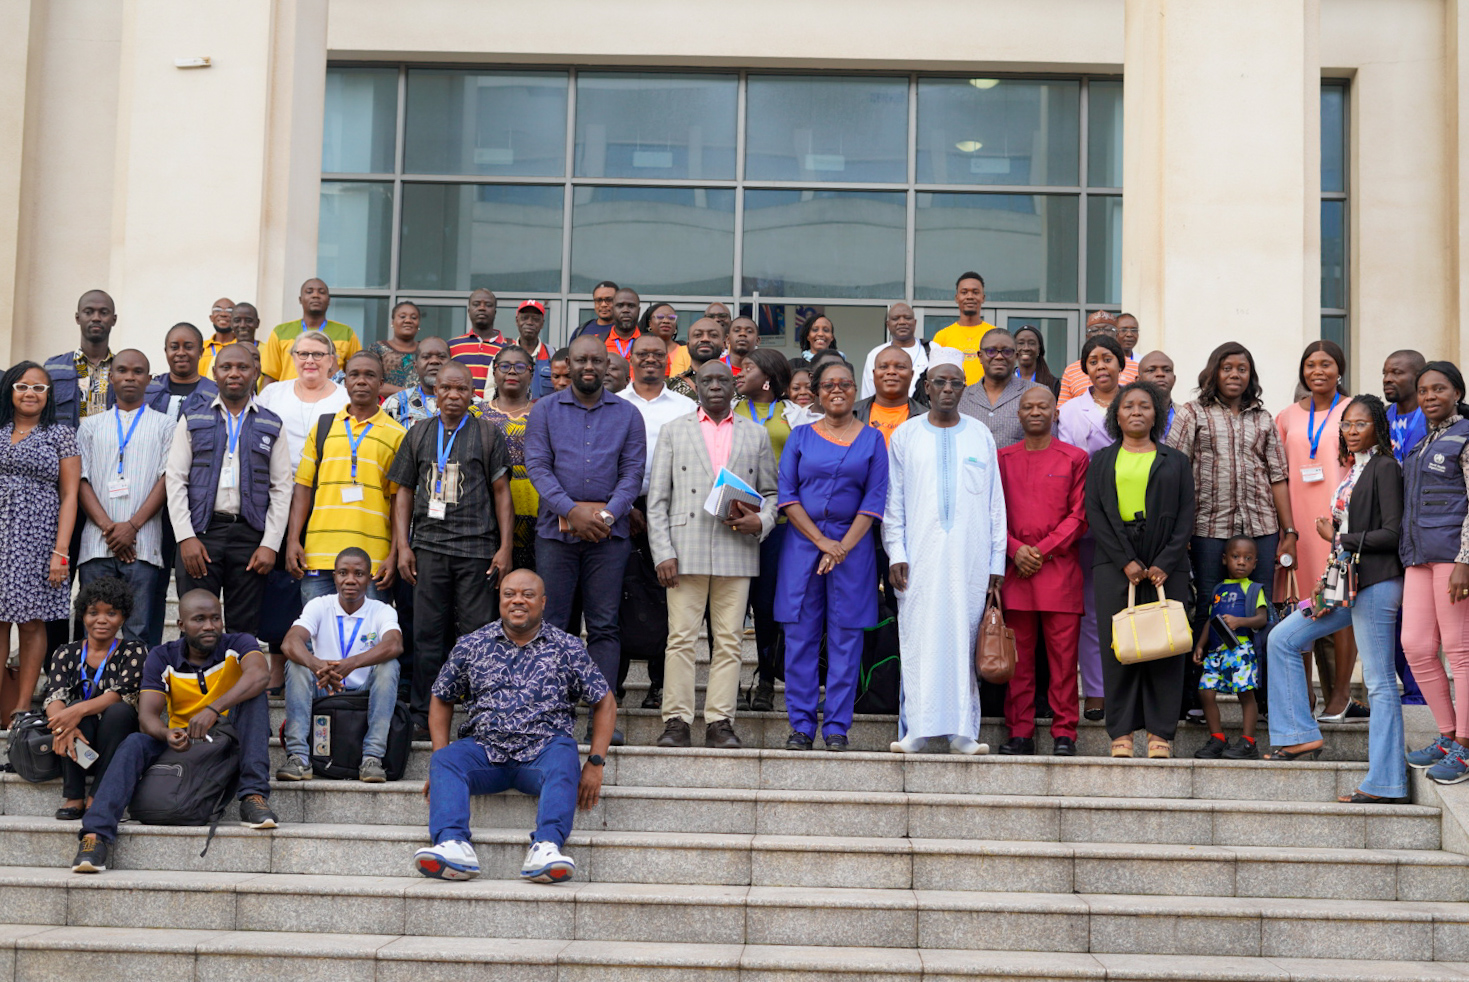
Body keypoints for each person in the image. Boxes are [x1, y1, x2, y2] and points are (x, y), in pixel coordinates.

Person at [414, 570, 616, 883]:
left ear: (543, 602)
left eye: (527, 594)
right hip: (484, 752)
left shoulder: (568, 648)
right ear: (500, 600)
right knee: (445, 759)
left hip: (542, 754)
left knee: (565, 753)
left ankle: (546, 847)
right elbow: (441, 698)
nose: (517, 600)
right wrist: (439, 760)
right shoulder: (472, 645)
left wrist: (596, 762)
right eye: (509, 594)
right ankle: (454, 846)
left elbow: (604, 702)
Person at [70, 590, 278, 873]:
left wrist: (213, 709)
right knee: (135, 741)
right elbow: (147, 716)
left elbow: (260, 674)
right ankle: (95, 836)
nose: (209, 626)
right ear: (181, 625)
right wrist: (167, 734)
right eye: (199, 619)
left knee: (255, 694)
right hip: (183, 740)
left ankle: (253, 795)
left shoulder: (239, 643)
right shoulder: (162, 656)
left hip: (229, 737)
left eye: (216, 618)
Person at [1265, 396, 1407, 805]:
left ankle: (1385, 782)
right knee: (1284, 638)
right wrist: (1326, 581)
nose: (1351, 430)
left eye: (1361, 423)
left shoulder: (1384, 468)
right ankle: (1298, 736)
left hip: (1376, 584)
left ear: (1377, 427)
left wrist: (1338, 538)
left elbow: (1392, 535)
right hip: (1343, 583)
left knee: (1379, 682)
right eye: (1346, 424)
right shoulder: (1352, 470)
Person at [1167, 342, 1298, 722]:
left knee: (1262, 611)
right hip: (1209, 528)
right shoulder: (1193, 414)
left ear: (1250, 376)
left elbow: (1278, 477)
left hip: (1260, 527)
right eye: (1227, 368)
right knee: (1209, 606)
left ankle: (1261, 697)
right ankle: (1198, 694)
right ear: (1214, 372)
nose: (1235, 375)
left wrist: (1288, 530)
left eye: (1242, 369)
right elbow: (1174, 467)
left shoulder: (1263, 418)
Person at [648, 361, 777, 749]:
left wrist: (764, 521)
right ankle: (676, 721)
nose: (715, 386)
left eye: (723, 379)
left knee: (730, 640)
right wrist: (661, 553)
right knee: (681, 639)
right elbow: (657, 501)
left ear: (734, 386)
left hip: (736, 547)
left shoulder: (755, 434)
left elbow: (771, 494)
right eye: (707, 380)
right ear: (696, 386)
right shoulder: (674, 431)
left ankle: (720, 721)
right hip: (684, 550)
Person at [525, 336, 645, 730]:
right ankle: (554, 715)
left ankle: (602, 719)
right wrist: (572, 512)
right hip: (555, 535)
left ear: (609, 364)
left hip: (610, 539)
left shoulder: (628, 414)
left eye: (597, 359)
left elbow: (632, 474)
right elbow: (538, 467)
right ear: (568, 364)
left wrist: (606, 517)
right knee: (554, 624)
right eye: (581, 360)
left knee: (605, 626)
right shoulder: (544, 411)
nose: (589, 366)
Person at [885, 356, 1002, 755]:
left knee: (965, 640)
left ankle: (963, 733)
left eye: (956, 383)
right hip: (919, 556)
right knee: (918, 638)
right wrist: (896, 551)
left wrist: (996, 562)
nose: (948, 389)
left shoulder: (981, 435)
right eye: (941, 382)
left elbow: (994, 503)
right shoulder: (906, 435)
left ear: (965, 389)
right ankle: (915, 729)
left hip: (970, 557)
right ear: (928, 388)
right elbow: (894, 502)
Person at [389, 360, 513, 734]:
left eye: (461, 389)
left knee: (478, 633)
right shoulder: (418, 433)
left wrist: (505, 547)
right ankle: (424, 713)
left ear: (473, 393)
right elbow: (403, 492)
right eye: (446, 389)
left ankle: (480, 713)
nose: (453, 396)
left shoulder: (488, 434)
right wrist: (403, 546)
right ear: (435, 391)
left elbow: (502, 494)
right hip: (428, 547)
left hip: (477, 550)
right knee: (427, 632)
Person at [776, 359, 888, 751]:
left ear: (855, 391)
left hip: (853, 550)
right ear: (817, 392)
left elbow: (875, 502)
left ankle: (837, 726)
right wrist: (823, 543)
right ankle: (801, 726)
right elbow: (787, 495)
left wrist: (841, 547)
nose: (836, 390)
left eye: (844, 383)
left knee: (846, 639)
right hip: (803, 546)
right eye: (828, 385)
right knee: (801, 638)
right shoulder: (800, 436)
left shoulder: (873, 439)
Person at [1085, 380, 1195, 759]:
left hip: (1167, 561)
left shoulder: (1176, 461)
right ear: (1116, 415)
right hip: (1116, 560)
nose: (1136, 411)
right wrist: (1125, 561)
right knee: (1121, 648)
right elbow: (1095, 513)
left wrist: (1164, 561)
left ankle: (1160, 734)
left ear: (1157, 415)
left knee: (1165, 647)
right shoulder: (1101, 460)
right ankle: (1122, 733)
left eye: (1144, 406)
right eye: (1128, 405)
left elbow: (1186, 516)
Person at [164, 344, 293, 637]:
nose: (234, 373)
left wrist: (270, 544)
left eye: (243, 367)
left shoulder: (271, 423)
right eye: (226, 367)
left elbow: (282, 488)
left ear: (255, 373)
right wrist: (185, 537)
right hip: (201, 536)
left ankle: (239, 683)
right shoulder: (193, 419)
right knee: (196, 624)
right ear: (214, 373)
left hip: (250, 539)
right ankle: (195, 683)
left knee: (243, 629)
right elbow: (175, 480)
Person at [997, 385, 1087, 756]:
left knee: (1064, 662)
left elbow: (1080, 516)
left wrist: (1042, 550)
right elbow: (990, 514)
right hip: (1015, 573)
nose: (1035, 412)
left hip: (1060, 573)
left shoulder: (1076, 458)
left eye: (1043, 406)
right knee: (1018, 662)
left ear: (1056, 413)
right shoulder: (1001, 458)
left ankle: (1064, 732)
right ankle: (1020, 732)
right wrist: (1016, 550)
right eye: (1028, 407)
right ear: (1018, 415)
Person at [1277, 340, 1358, 720]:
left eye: (1326, 364)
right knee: (1301, 607)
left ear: (1339, 369)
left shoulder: (1353, 410)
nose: (1318, 371)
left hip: (1340, 523)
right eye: (1310, 365)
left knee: (1340, 604)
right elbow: (1277, 474)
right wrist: (1285, 528)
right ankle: (1302, 695)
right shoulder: (1287, 416)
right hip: (1297, 527)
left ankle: (1340, 695)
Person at [276, 546, 404, 783]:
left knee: (390, 666)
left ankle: (372, 758)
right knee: (296, 665)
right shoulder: (319, 605)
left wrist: (351, 664)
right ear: (334, 576)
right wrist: (316, 665)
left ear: (369, 577)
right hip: (323, 685)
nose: (350, 580)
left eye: (359, 573)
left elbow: (394, 644)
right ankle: (299, 758)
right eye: (343, 573)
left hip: (364, 690)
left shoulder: (381, 610)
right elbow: (290, 642)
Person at [286, 351, 406, 603]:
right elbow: (303, 487)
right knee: (315, 636)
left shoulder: (397, 435)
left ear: (381, 382)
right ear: (345, 381)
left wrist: (393, 553)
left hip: (373, 559)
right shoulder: (324, 426)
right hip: (318, 553)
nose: (361, 381)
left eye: (369, 375)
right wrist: (293, 539)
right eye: (354, 374)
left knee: (369, 637)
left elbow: (399, 501)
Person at [0, 363, 81, 724]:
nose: (30, 393)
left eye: (39, 387)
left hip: (38, 539)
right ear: (10, 391)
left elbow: (69, 495)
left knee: (33, 623)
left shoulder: (60, 435)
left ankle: (21, 707)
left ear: (49, 395)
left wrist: (61, 551)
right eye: (22, 386)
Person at [615, 335, 693, 709]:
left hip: (671, 509)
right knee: (617, 594)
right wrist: (624, 505)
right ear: (632, 358)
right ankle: (612, 683)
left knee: (666, 594)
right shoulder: (614, 403)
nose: (650, 360)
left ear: (668, 360)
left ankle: (660, 685)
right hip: (619, 508)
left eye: (657, 355)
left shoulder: (684, 405)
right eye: (643, 354)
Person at [75, 350, 174, 643]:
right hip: (96, 545)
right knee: (93, 628)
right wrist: (111, 528)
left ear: (149, 379)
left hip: (143, 546)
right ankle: (92, 688)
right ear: (111, 377)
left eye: (138, 371)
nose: (130, 376)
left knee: (137, 630)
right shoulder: (90, 425)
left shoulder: (166, 425)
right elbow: (81, 481)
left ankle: (131, 689)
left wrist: (131, 527)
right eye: (122, 370)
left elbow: (167, 479)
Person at [1401, 363, 1469, 780]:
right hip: (1418, 557)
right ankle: (1447, 733)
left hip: (1452, 557)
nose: (1429, 396)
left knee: (1460, 652)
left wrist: (1465, 559)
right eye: (1423, 390)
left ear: (1457, 393)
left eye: (1439, 389)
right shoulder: (1424, 441)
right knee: (1416, 646)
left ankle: (1465, 745)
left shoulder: (1465, 437)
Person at [1057, 334, 1129, 720]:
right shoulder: (1070, 411)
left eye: (1108, 359)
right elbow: (1070, 467)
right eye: (1093, 361)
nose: (1101, 366)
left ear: (1121, 364)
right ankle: (1097, 691)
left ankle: (1129, 687)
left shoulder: (1138, 403)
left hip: (1135, 520)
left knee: (1132, 605)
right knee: (1091, 609)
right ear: (1084, 369)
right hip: (1089, 521)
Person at [734, 350, 806, 711]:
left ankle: (765, 681)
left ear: (768, 376)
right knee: (730, 607)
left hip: (778, 525)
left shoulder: (793, 414)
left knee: (766, 606)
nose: (739, 372)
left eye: (748, 368)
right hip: (732, 522)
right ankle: (728, 681)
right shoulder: (730, 409)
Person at [42, 576, 145, 819]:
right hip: (74, 739)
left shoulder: (134, 651)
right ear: (83, 615)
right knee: (71, 712)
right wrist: (63, 725)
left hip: (115, 736)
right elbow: (54, 696)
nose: (101, 620)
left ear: (123, 617)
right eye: (93, 612)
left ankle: (98, 794)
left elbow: (121, 696)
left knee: (117, 712)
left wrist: (74, 712)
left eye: (111, 613)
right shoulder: (65, 653)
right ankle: (74, 796)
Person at [1379, 348, 1429, 708]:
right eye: (1385, 373)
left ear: (1417, 377)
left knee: (1421, 618)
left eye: (1396, 373)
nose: (1387, 379)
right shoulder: (1382, 418)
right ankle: (1410, 690)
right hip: (1387, 530)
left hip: (1424, 532)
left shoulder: (1433, 419)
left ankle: (1419, 693)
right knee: (1393, 616)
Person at [1192, 537, 1267, 759]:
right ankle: (1217, 738)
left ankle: (1248, 743)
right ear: (1225, 560)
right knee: (1205, 692)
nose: (1241, 562)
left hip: (1241, 650)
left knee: (1245, 694)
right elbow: (1210, 619)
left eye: (1247, 558)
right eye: (1236, 557)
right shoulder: (1218, 589)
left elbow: (1261, 618)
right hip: (1216, 651)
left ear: (1255, 563)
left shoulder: (1254, 589)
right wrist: (1200, 644)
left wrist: (1240, 622)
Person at [483, 345, 542, 572]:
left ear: (531, 373)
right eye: (504, 366)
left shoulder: (544, 412)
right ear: (494, 372)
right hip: (488, 515)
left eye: (520, 367)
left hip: (537, 513)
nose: (512, 372)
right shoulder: (475, 414)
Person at [256, 330, 351, 466]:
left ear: (331, 361)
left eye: (318, 354)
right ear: (293, 358)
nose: (310, 360)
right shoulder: (272, 393)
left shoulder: (346, 398)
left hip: (325, 480)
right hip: (277, 480)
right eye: (303, 354)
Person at [260, 278, 362, 385]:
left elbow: (357, 372)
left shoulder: (346, 333)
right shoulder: (280, 332)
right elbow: (270, 376)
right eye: (309, 292)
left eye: (321, 292)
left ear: (329, 300)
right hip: (289, 398)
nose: (316, 295)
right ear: (300, 299)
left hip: (330, 398)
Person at [958, 327, 1046, 449]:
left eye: (1007, 351)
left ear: (1016, 356)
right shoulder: (962, 397)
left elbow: (1050, 446)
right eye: (991, 351)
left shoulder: (1038, 394)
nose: (999, 357)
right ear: (980, 356)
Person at [46, 289, 117, 430]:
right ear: (78, 318)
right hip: (66, 450)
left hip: (112, 450)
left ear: (114, 320)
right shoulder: (53, 368)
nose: (96, 318)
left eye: (103, 312)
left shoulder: (124, 370)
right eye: (88, 312)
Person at [386, 336, 474, 429]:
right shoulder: (396, 403)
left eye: (441, 356)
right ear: (415, 366)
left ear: (450, 362)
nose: (434, 361)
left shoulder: (475, 404)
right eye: (426, 357)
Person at [1058, 312, 1138, 407]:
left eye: (1108, 329)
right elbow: (1062, 410)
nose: (1101, 333)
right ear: (1087, 336)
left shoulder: (1136, 368)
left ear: (1117, 334)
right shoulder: (1071, 371)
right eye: (1094, 330)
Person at [931, 273, 998, 386]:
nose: (970, 296)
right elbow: (935, 375)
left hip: (987, 400)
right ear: (957, 298)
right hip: (954, 400)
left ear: (983, 298)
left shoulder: (994, 334)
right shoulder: (942, 336)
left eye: (975, 292)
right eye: (964, 292)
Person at [145, 323, 219, 421]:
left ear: (201, 352)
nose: (181, 353)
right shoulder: (149, 389)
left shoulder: (215, 393)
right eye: (174, 347)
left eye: (188, 347)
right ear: (166, 351)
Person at [855, 346, 925, 447]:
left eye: (900, 367)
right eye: (883, 367)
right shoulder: (851, 415)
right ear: (874, 374)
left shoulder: (927, 418)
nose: (891, 371)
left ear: (912, 374)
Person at [860, 303, 929, 400]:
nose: (902, 322)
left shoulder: (932, 350)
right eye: (896, 318)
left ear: (915, 322)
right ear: (888, 325)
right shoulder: (876, 354)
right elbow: (868, 395)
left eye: (907, 318)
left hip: (924, 413)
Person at [447, 288, 503, 399]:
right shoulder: (451, 346)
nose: (482, 308)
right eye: (476, 304)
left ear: (495, 312)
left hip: (495, 412)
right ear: (469, 311)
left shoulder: (510, 348)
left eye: (488, 305)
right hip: (460, 412)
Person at [667, 317, 728, 399]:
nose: (705, 339)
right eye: (698, 335)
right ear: (688, 346)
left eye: (713, 335)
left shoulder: (737, 386)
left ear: (723, 345)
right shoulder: (669, 387)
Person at [505, 300, 555, 399]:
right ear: (517, 321)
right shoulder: (503, 355)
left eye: (535, 319)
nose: (529, 322)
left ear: (542, 323)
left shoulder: (553, 355)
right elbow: (490, 391)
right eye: (524, 318)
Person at [371, 301, 421, 396]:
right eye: (402, 317)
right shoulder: (377, 349)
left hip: (422, 408)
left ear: (418, 323)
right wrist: (410, 393)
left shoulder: (426, 349)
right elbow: (373, 383)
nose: (408, 320)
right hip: (386, 408)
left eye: (413, 317)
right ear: (392, 322)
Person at [641, 302, 690, 378]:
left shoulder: (686, 350)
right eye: (660, 317)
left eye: (671, 318)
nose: (666, 321)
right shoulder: (639, 350)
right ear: (649, 323)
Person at [1137, 351, 1177, 440]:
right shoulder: (1130, 414)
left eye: (1167, 370)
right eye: (1151, 370)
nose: (1160, 374)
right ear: (1138, 380)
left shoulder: (1186, 415)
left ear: (1174, 379)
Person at [1012, 324, 1061, 397]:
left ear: (1039, 349)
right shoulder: (1005, 381)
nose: (1026, 348)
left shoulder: (1053, 383)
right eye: (1021, 343)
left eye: (1031, 343)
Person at [197, 297, 237, 380]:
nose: (223, 314)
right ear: (211, 318)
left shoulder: (241, 347)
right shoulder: (199, 347)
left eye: (230, 311)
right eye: (218, 310)